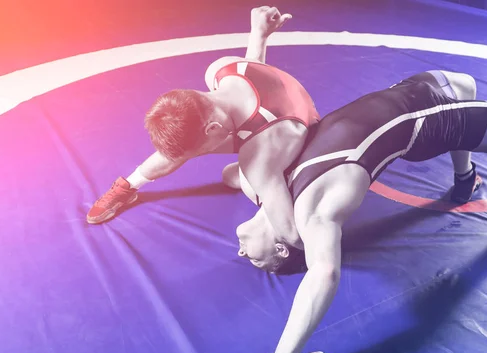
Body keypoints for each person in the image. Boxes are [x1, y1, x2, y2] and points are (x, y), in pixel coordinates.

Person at [234, 70, 487, 353]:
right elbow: (324, 274)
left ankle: (465, 176)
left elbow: (233, 169)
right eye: (254, 260)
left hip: (403, 94)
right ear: (281, 247)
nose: (240, 252)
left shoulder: (262, 188)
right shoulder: (313, 214)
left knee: (466, 84)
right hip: (427, 123)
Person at [86, 6, 318, 248]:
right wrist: (258, 35)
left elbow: (293, 236)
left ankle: (290, 181)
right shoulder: (224, 69)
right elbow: (255, 70)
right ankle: (129, 187)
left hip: (297, 146)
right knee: (196, 150)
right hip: (268, 119)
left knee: (239, 178)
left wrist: (268, 228)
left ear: (213, 128)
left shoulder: (260, 156)